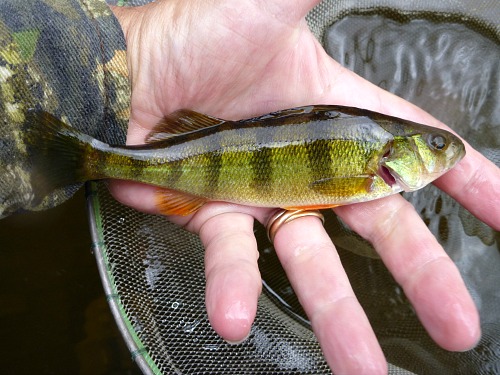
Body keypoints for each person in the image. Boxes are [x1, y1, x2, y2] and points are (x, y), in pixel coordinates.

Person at [0, 0, 497, 374]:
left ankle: (77, 154)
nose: (442, 152)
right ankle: (82, 157)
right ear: (397, 154)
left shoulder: (372, 158)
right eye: (433, 146)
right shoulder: (370, 166)